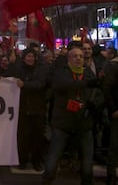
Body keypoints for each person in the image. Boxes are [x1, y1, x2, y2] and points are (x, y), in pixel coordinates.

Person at [42, 47, 99, 185]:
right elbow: (63, 84)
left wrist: (94, 104)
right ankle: (47, 180)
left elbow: (97, 90)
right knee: (53, 159)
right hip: (63, 123)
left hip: (84, 123)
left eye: (81, 56)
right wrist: (86, 84)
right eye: (75, 56)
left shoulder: (88, 73)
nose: (79, 58)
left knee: (87, 161)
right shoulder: (62, 72)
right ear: (69, 59)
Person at [15, 48, 49, 171]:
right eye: (28, 56)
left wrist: (25, 85)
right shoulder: (19, 69)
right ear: (24, 58)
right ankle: (22, 160)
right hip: (23, 108)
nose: (30, 59)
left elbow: (40, 84)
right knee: (23, 136)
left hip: (37, 108)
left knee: (37, 136)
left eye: (32, 56)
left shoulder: (41, 69)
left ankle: (36, 161)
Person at [102, 55, 118, 185]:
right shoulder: (114, 67)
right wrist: (113, 109)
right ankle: (111, 174)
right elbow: (107, 89)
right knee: (115, 145)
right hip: (117, 112)